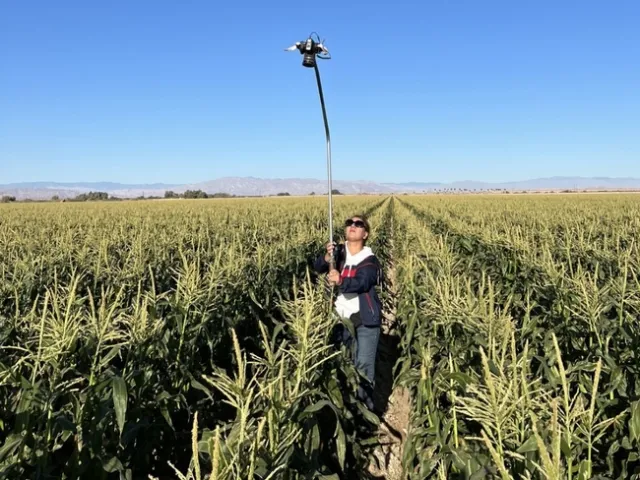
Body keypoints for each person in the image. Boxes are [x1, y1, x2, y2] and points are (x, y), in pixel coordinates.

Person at [313, 213, 382, 410]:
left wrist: (341, 280)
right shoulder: (338, 253)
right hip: (339, 319)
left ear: (365, 233)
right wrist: (327, 257)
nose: (353, 225)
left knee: (364, 369)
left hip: (365, 321)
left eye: (358, 224)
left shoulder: (369, 260)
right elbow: (317, 267)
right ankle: (346, 409)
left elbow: (363, 281)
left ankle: (366, 416)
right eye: (349, 223)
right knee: (343, 364)